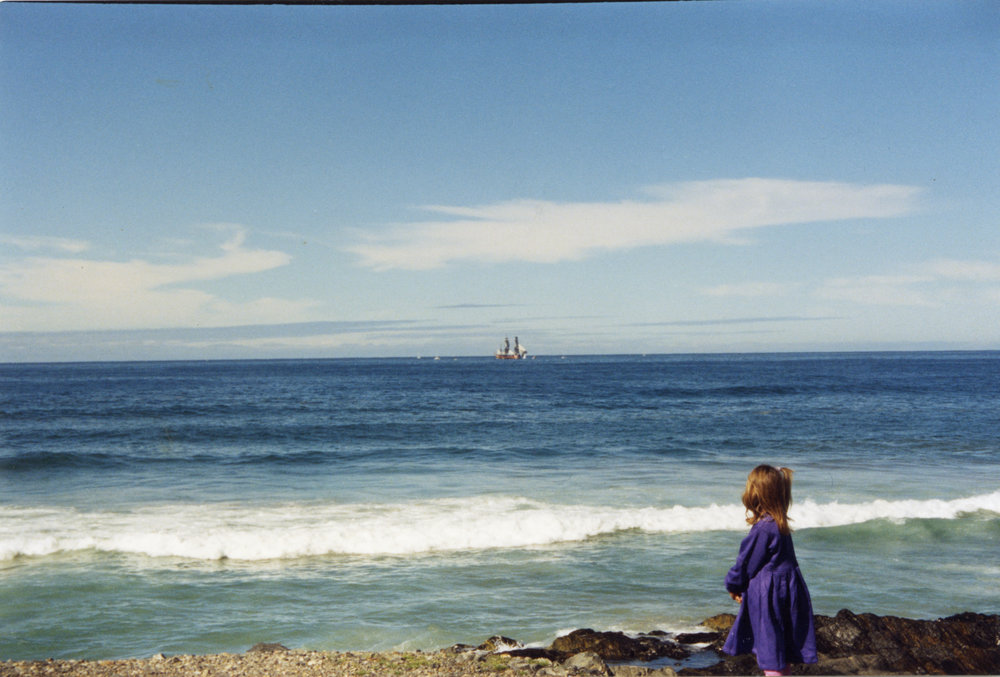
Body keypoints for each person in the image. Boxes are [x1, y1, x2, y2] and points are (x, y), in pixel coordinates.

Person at [722, 465, 817, 676]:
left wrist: (733, 586)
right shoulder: (779, 523)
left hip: (769, 595)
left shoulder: (764, 528)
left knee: (770, 651)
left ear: (755, 494)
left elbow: (745, 564)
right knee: (780, 651)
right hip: (788, 591)